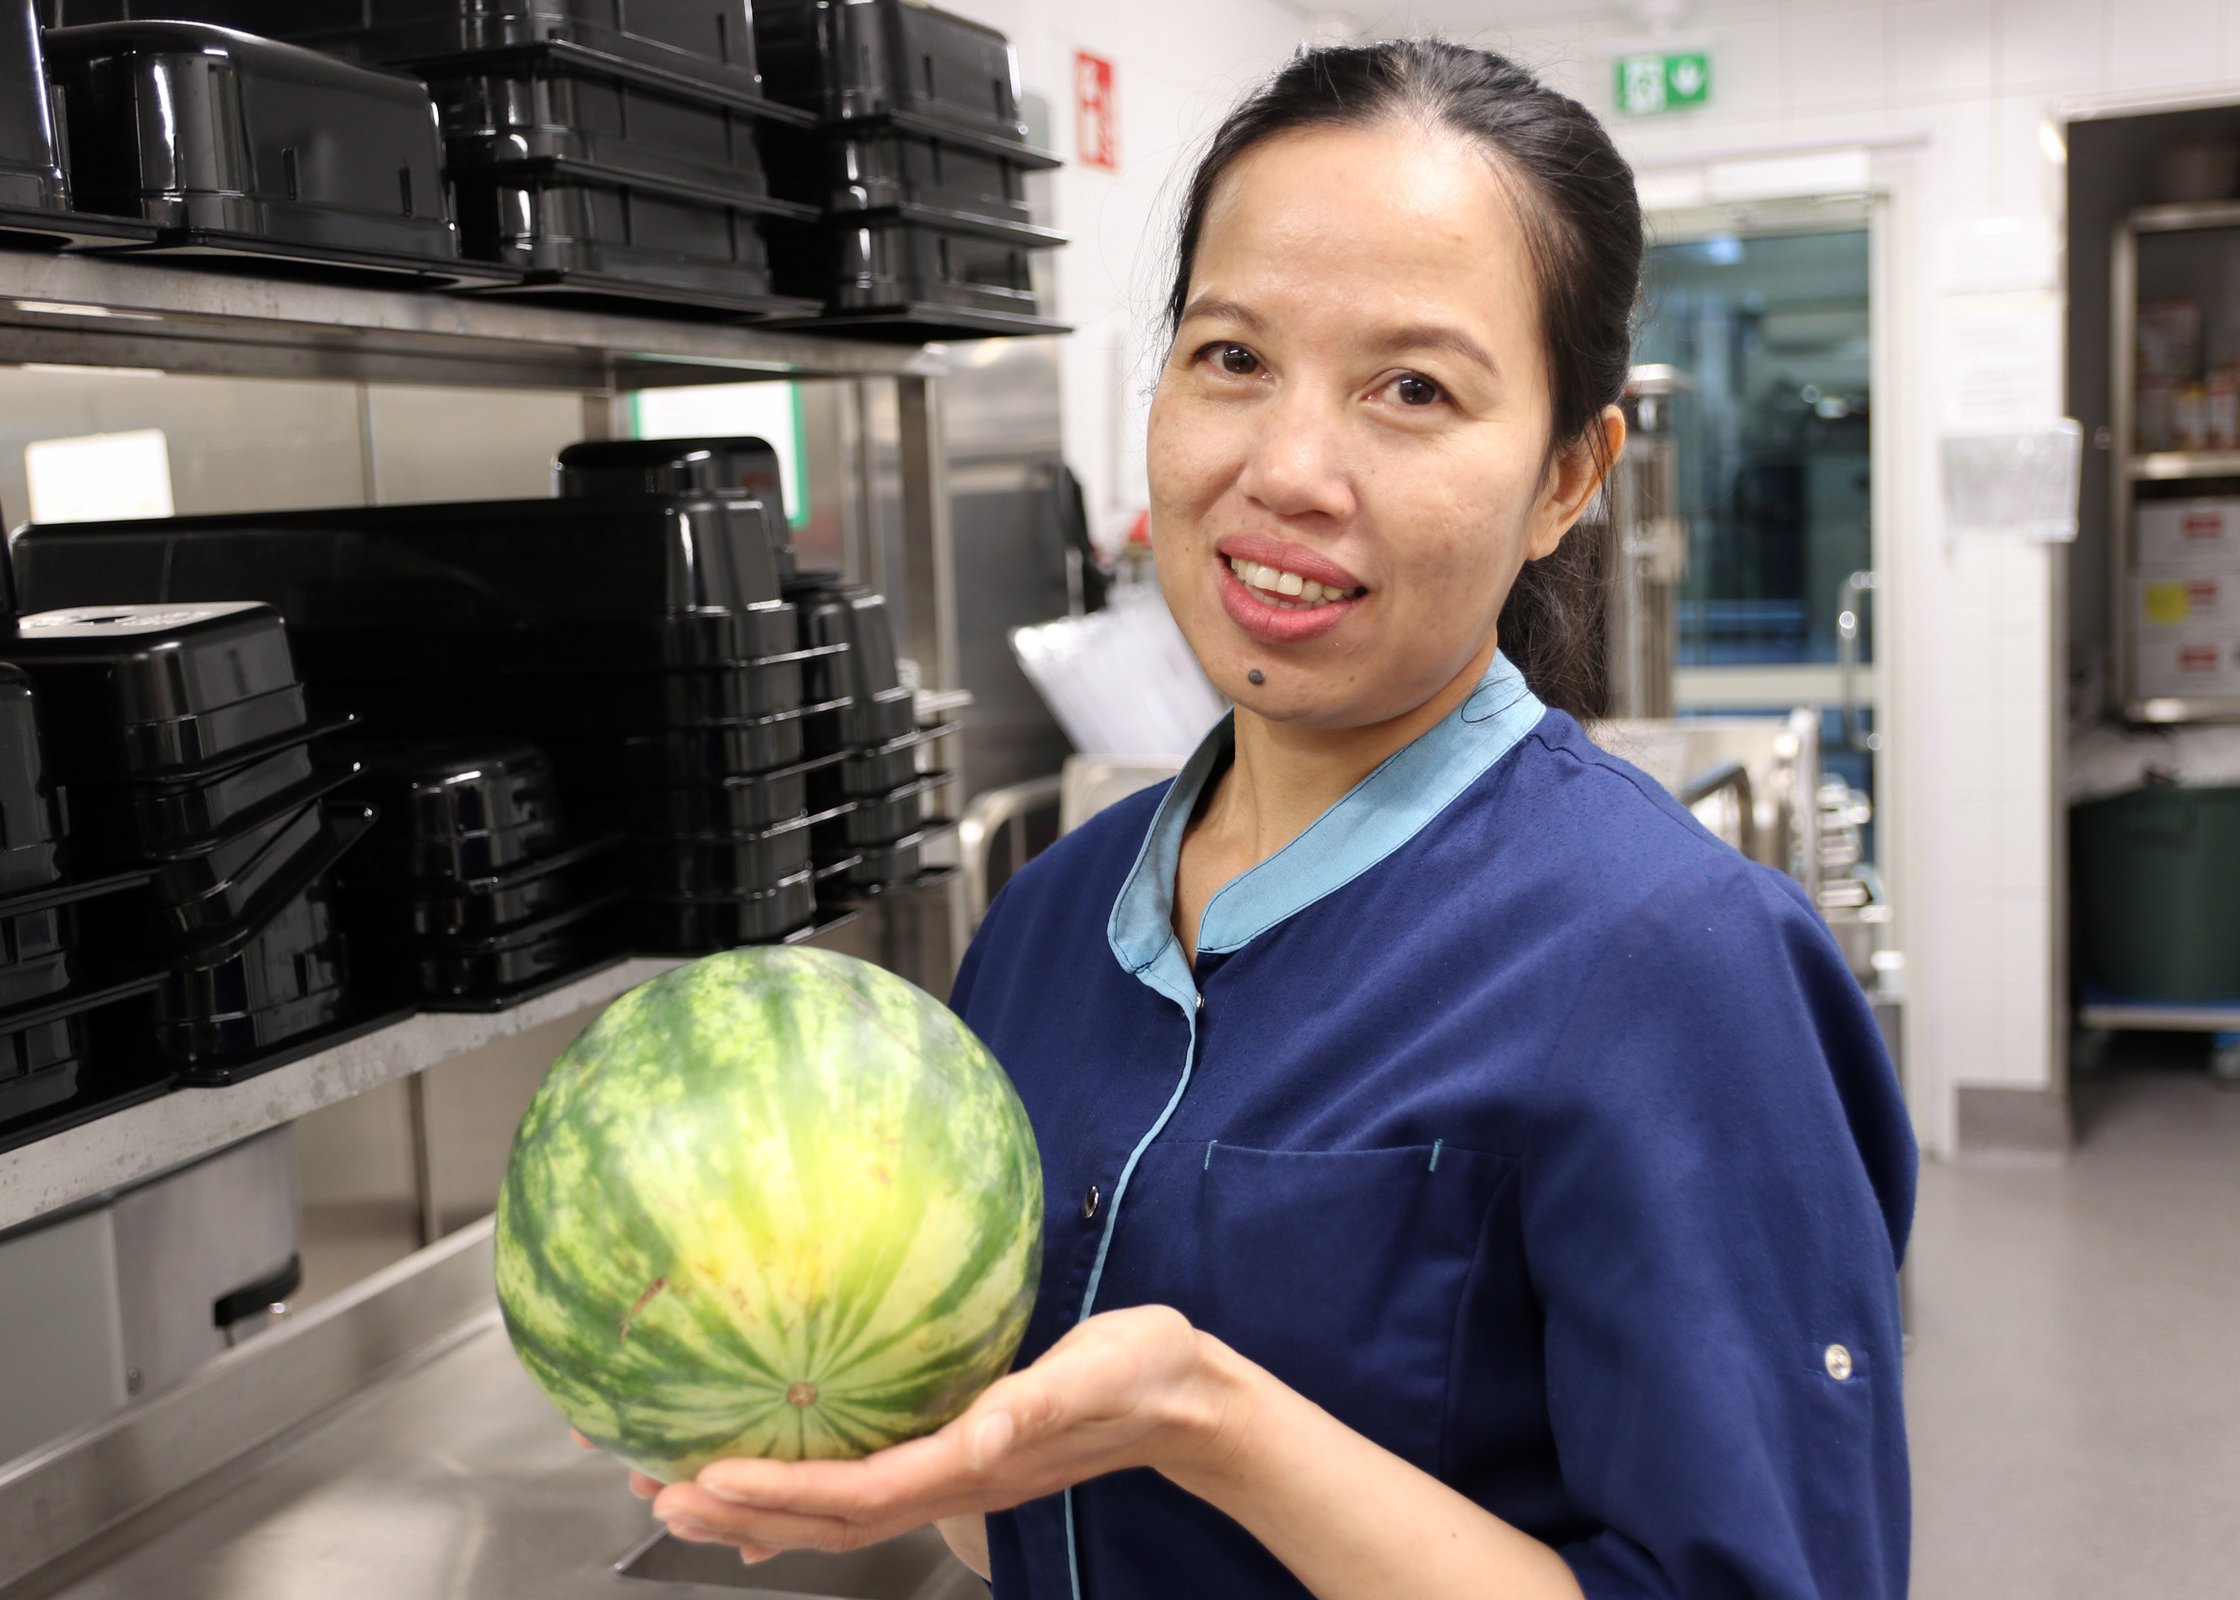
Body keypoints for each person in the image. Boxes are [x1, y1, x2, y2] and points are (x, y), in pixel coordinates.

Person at [630, 38, 1918, 1600]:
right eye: (1232, 356)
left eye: (1413, 389)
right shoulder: (1051, 922)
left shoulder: (1677, 968)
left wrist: (1209, 1420)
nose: (1288, 470)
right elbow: (1030, 1512)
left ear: (1567, 476)